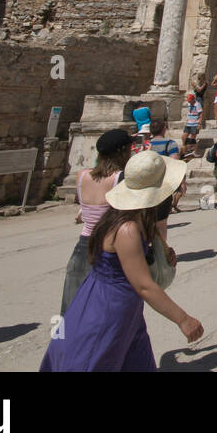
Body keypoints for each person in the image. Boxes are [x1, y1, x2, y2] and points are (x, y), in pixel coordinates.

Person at [40, 150, 203, 370]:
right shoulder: (127, 228)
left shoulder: (133, 219)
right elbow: (143, 285)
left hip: (123, 307)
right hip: (109, 308)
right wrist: (183, 319)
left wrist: (160, 259)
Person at [61, 129, 133, 315]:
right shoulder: (121, 178)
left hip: (83, 244)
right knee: (104, 309)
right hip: (110, 247)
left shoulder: (82, 176)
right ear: (121, 151)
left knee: (73, 303)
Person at [182, 94, 203, 158]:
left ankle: (195, 152)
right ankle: (187, 149)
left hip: (195, 124)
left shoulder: (197, 104)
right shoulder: (189, 104)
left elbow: (201, 114)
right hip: (189, 123)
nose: (188, 102)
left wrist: (199, 123)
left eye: (189, 100)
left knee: (192, 139)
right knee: (184, 137)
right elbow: (189, 113)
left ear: (193, 99)